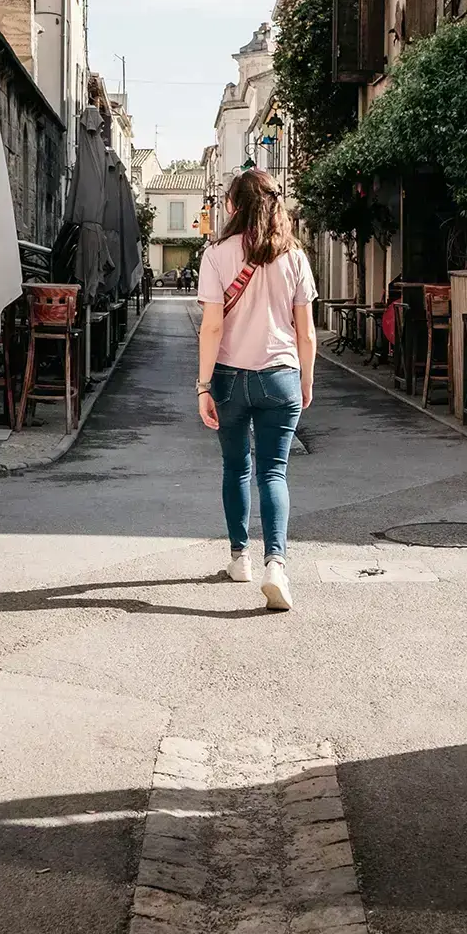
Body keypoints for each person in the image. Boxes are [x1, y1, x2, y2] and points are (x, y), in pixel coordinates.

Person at [196, 169, 316, 611]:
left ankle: (239, 557)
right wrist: (304, 379)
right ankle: (277, 566)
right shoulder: (295, 258)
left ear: (233, 205)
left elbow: (211, 326)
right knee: (274, 471)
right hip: (280, 374)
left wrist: (203, 386)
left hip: (228, 377)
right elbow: (306, 333)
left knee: (236, 467)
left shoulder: (216, 255)